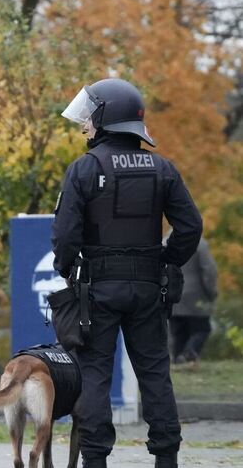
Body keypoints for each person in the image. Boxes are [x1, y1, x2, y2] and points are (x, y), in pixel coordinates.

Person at [52, 78, 202, 468]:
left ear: (106, 117)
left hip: (98, 288)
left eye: (88, 116)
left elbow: (66, 234)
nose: (84, 124)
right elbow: (190, 227)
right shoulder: (163, 169)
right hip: (149, 286)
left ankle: (96, 459)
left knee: (96, 373)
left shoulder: (84, 169)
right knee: (154, 373)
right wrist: (167, 260)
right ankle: (166, 458)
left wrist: (66, 268)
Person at [169, 236, 217, 364]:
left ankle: (178, 359)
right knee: (202, 328)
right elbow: (209, 270)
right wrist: (211, 292)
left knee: (178, 332)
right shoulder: (199, 244)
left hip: (172, 295)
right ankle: (190, 353)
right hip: (196, 296)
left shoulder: (165, 241)